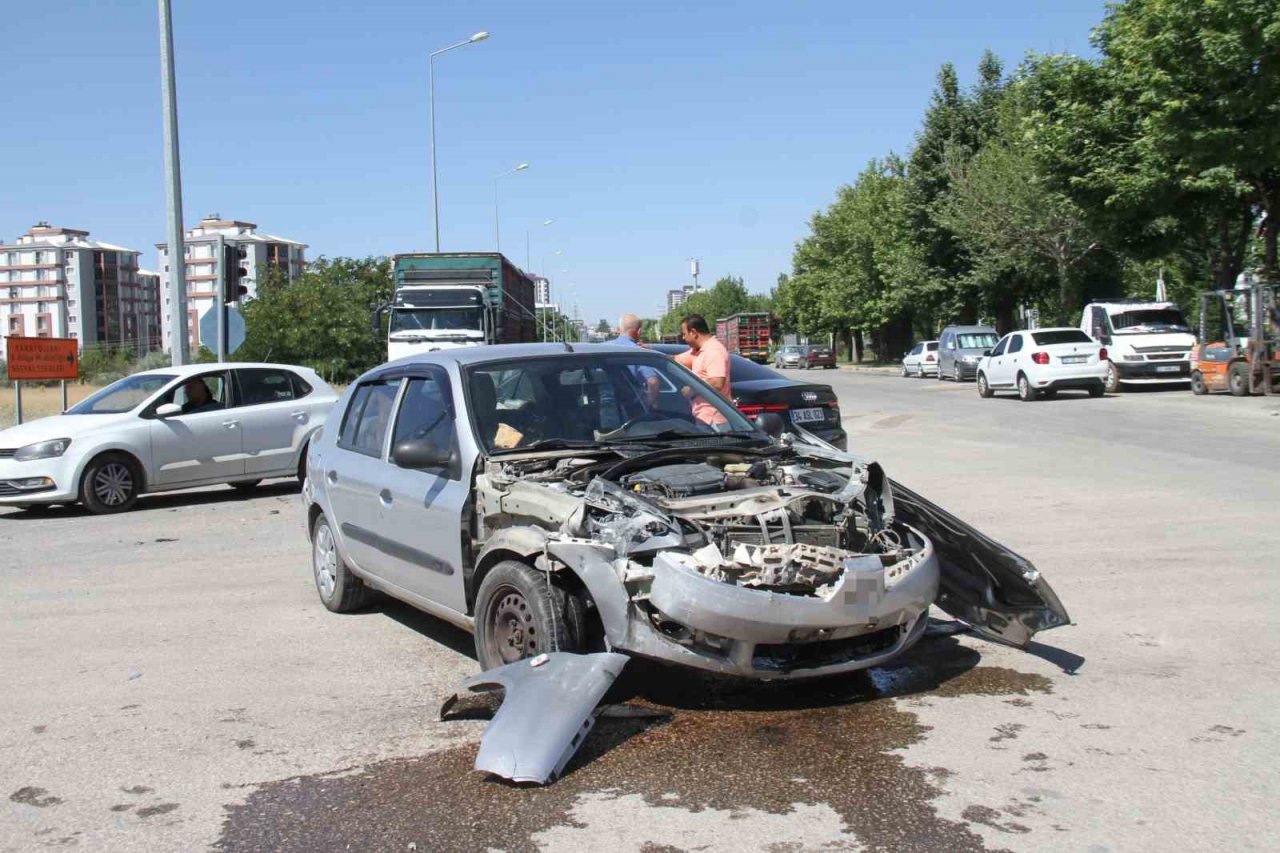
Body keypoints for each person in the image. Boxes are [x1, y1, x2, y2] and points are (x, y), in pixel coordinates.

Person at [673, 313, 731, 430]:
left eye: (684, 334)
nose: (683, 338)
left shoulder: (713, 351)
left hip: (714, 421)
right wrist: (648, 351)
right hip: (704, 418)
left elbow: (717, 381)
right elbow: (676, 360)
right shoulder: (699, 351)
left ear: (693, 333)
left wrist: (692, 388)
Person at [610, 313, 661, 407]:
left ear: (619, 329)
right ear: (639, 331)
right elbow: (653, 382)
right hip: (630, 408)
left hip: (604, 404)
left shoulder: (602, 347)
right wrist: (648, 403)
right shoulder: (638, 352)